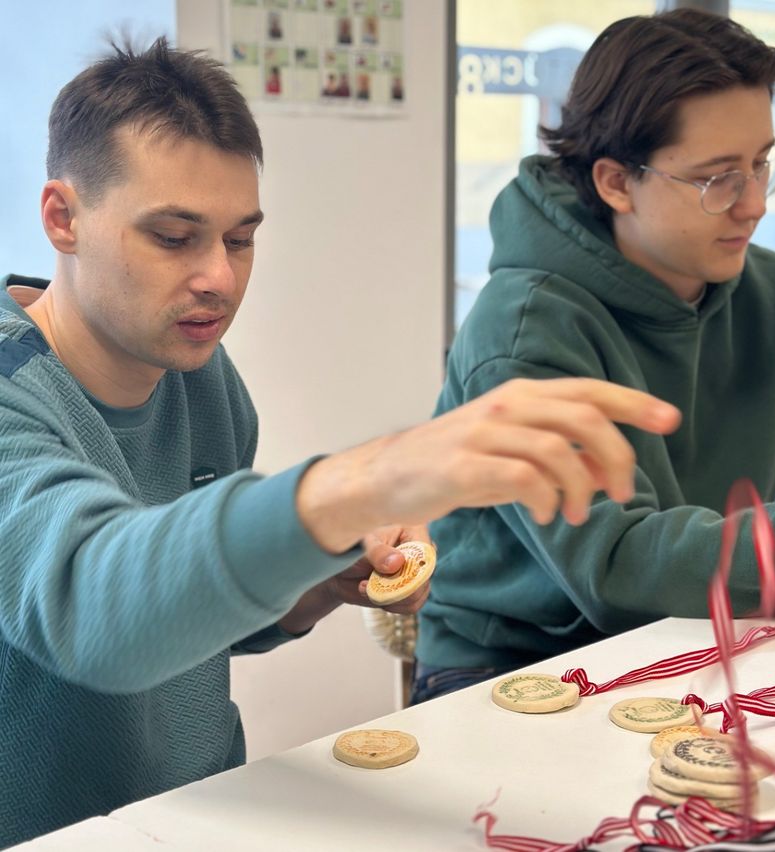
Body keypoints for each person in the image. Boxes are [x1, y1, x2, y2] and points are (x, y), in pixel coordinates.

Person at [0, 38, 680, 847]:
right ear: (62, 217)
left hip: (201, 819)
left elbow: (191, 624)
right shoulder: (17, 395)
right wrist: (362, 481)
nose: (218, 276)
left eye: (240, 238)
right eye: (175, 237)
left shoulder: (202, 378)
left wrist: (324, 575)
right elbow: (95, 607)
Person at [412, 7, 775, 704]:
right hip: (519, 669)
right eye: (717, 179)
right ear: (616, 181)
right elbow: (620, 570)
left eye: (764, 163)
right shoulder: (525, 330)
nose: (755, 205)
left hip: (702, 640)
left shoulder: (771, 293)